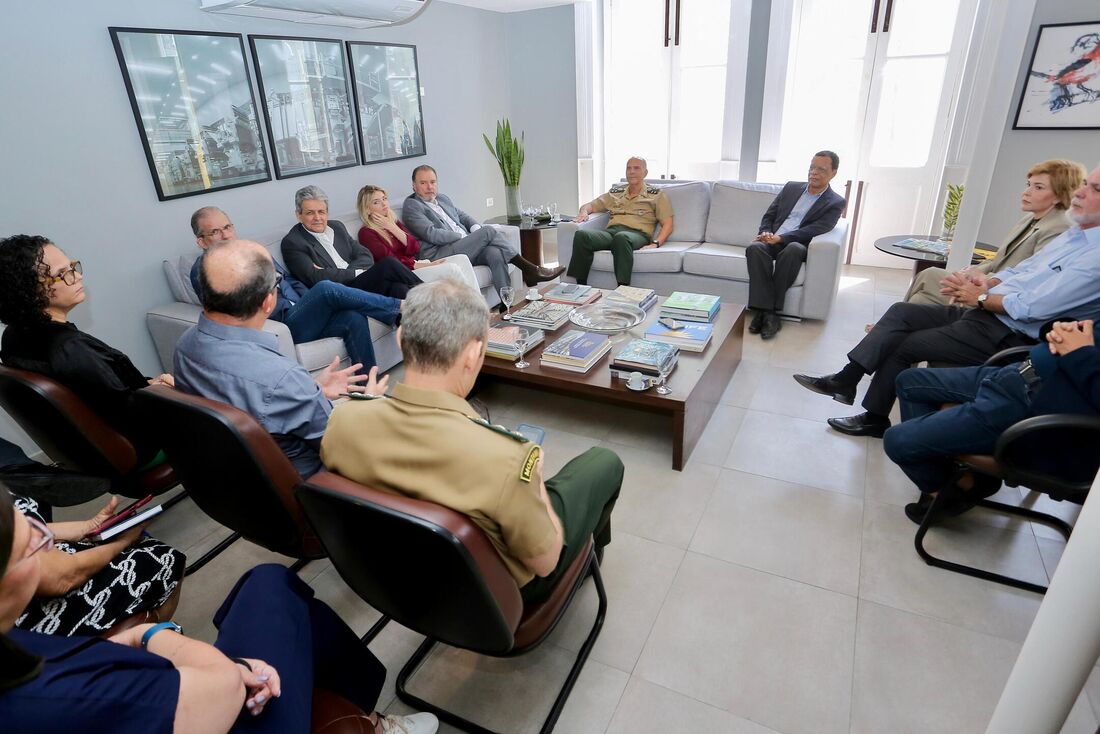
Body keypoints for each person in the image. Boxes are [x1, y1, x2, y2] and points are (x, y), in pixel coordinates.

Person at [0, 488, 438, 733]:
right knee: (271, 584)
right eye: (33, 546)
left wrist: (133, 636)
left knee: (266, 583)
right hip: (219, 712)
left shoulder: (17, 647)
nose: (46, 542)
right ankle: (373, 723)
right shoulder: (53, 698)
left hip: (174, 695)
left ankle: (365, 715)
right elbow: (226, 686)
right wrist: (155, 635)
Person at [320, 279, 623, 602]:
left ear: (399, 338)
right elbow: (545, 564)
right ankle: (587, 557)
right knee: (602, 462)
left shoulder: (343, 421)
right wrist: (533, 485)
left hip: (393, 577)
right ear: (475, 353)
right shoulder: (506, 458)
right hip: (492, 600)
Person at [793, 164, 1100, 438]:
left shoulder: (1090, 255)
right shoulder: (1073, 236)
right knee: (901, 313)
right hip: (988, 316)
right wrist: (986, 282)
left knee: (902, 342)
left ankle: (875, 418)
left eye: (1094, 189)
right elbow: (1021, 270)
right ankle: (847, 379)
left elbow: (1035, 308)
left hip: (1008, 334)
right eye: (1085, 184)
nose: (1081, 192)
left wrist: (979, 296)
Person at [174, 239, 388, 479]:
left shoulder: (184, 345)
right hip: (319, 489)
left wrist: (312, 390)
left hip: (240, 479)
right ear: (268, 302)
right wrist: (370, 405)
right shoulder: (283, 378)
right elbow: (350, 452)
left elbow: (250, 401)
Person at [884, 319, 1100, 523]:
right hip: (1016, 373)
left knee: (897, 441)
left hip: (1031, 406)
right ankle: (957, 476)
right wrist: (1062, 329)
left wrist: (1079, 353)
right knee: (909, 382)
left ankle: (958, 489)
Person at [0, 235, 172, 467]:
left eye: (72, 266)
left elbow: (103, 396)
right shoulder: (71, 349)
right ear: (32, 290)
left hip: (87, 454)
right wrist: (163, 391)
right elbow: (133, 416)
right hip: (141, 447)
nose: (78, 276)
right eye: (64, 274)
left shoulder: (13, 335)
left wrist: (149, 386)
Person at [189, 207, 401, 373]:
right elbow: (231, 310)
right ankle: (400, 307)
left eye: (227, 227)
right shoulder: (204, 269)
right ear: (201, 241)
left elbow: (287, 278)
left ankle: (366, 390)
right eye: (215, 232)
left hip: (300, 313)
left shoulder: (252, 252)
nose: (225, 235)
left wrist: (308, 302)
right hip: (278, 324)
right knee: (326, 288)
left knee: (352, 316)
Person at [901, 160, 1084, 307]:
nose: (1026, 192)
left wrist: (978, 282)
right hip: (985, 283)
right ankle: (890, 331)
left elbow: (1030, 278)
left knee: (930, 274)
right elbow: (996, 261)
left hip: (995, 296)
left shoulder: (1058, 228)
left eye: (1038, 187)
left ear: (1060, 194)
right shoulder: (1029, 219)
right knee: (921, 300)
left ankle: (886, 329)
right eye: (1028, 184)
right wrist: (971, 273)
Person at [12, 492, 184, 636]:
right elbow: (64, 577)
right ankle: (151, 647)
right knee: (162, 558)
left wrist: (88, 527)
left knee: (139, 546)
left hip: (45, 574)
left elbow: (26, 526)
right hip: (30, 625)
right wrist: (121, 543)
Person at [401, 165, 563, 298]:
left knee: (494, 253)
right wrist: (466, 237)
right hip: (440, 253)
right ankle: (530, 269)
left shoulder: (442, 199)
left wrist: (474, 230)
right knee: (487, 232)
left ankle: (506, 305)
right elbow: (431, 234)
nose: (429, 187)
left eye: (433, 182)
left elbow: (463, 217)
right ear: (414, 185)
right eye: (423, 183)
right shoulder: (412, 206)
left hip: (462, 246)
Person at [746, 151, 845, 339]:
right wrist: (766, 232)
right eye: (812, 168)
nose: (814, 173)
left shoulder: (835, 201)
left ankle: (764, 314)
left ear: (833, 173)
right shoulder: (791, 188)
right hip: (772, 240)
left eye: (821, 169)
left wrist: (783, 238)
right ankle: (770, 314)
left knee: (792, 250)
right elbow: (770, 215)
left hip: (797, 244)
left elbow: (818, 228)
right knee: (754, 248)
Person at [281, 185, 422, 299]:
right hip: (339, 291)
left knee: (399, 289)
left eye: (321, 212)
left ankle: (416, 331)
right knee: (388, 264)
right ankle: (433, 297)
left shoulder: (337, 227)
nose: (317, 218)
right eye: (310, 213)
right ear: (299, 215)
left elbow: (365, 255)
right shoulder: (293, 242)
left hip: (359, 281)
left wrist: (342, 272)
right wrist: (355, 273)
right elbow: (314, 277)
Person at [568, 157, 674, 287]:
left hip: (637, 235)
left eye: (636, 168)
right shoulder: (615, 193)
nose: (631, 171)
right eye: (628, 168)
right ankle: (581, 287)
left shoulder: (656, 194)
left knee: (621, 238)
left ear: (645, 173)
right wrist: (583, 212)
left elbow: (668, 224)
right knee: (582, 235)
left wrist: (656, 243)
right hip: (611, 233)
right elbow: (589, 205)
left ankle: (622, 288)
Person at [355, 184, 481, 293]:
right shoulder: (366, 233)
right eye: (376, 202)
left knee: (462, 259)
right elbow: (390, 261)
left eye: (384, 199)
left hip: (419, 263)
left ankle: (480, 309)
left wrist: (391, 227)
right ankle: (471, 312)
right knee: (451, 269)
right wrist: (422, 266)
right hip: (407, 273)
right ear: (367, 209)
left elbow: (414, 247)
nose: (384, 204)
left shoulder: (394, 223)